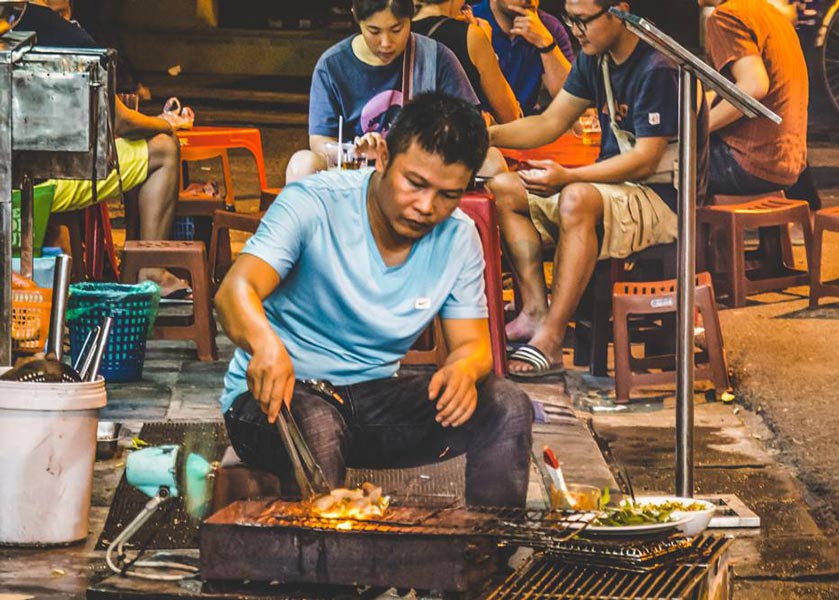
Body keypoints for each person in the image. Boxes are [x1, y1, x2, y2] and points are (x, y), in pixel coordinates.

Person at [216, 93, 534, 508]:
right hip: (279, 402)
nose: (426, 207)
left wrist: (463, 369)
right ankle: (318, 562)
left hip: (372, 403)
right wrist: (264, 343)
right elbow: (234, 292)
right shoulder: (313, 203)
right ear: (383, 156)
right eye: (415, 183)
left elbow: (474, 346)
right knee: (317, 421)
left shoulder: (458, 237)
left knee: (507, 404)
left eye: (447, 195)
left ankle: (485, 553)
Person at [487, 0, 709, 378]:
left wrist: (569, 176)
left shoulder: (658, 67)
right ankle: (535, 312)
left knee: (576, 197)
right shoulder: (596, 57)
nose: (575, 31)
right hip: (615, 190)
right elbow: (549, 122)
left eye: (583, 21)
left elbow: (645, 160)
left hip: (662, 198)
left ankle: (553, 340)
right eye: (571, 20)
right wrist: (485, 135)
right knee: (505, 187)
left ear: (619, 11)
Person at [16, 1, 186, 296]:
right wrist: (166, 124)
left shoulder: (11, 27)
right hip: (46, 182)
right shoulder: (60, 31)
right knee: (164, 149)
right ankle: (152, 272)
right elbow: (118, 122)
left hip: (16, 178)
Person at [285, 0, 480, 182]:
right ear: (357, 18)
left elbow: (469, 125)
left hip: (424, 171)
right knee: (303, 163)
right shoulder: (332, 65)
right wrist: (357, 152)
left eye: (396, 29)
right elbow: (320, 141)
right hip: (352, 175)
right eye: (374, 31)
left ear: (411, 17)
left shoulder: (436, 57)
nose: (386, 42)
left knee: (492, 161)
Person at [700, 0, 808, 197]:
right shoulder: (769, 13)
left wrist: (697, 127)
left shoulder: (725, 16)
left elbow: (754, 86)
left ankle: (699, 228)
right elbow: (744, 85)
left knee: (665, 165)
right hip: (788, 163)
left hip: (751, 162)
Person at [412, 0, 522, 123]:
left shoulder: (399, 31)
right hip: (458, 138)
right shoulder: (471, 36)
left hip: (408, 135)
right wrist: (487, 47)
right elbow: (510, 116)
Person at [471, 0, 575, 115]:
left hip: (526, 126)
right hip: (478, 125)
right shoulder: (470, 21)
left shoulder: (549, 27)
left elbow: (572, 99)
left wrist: (546, 44)